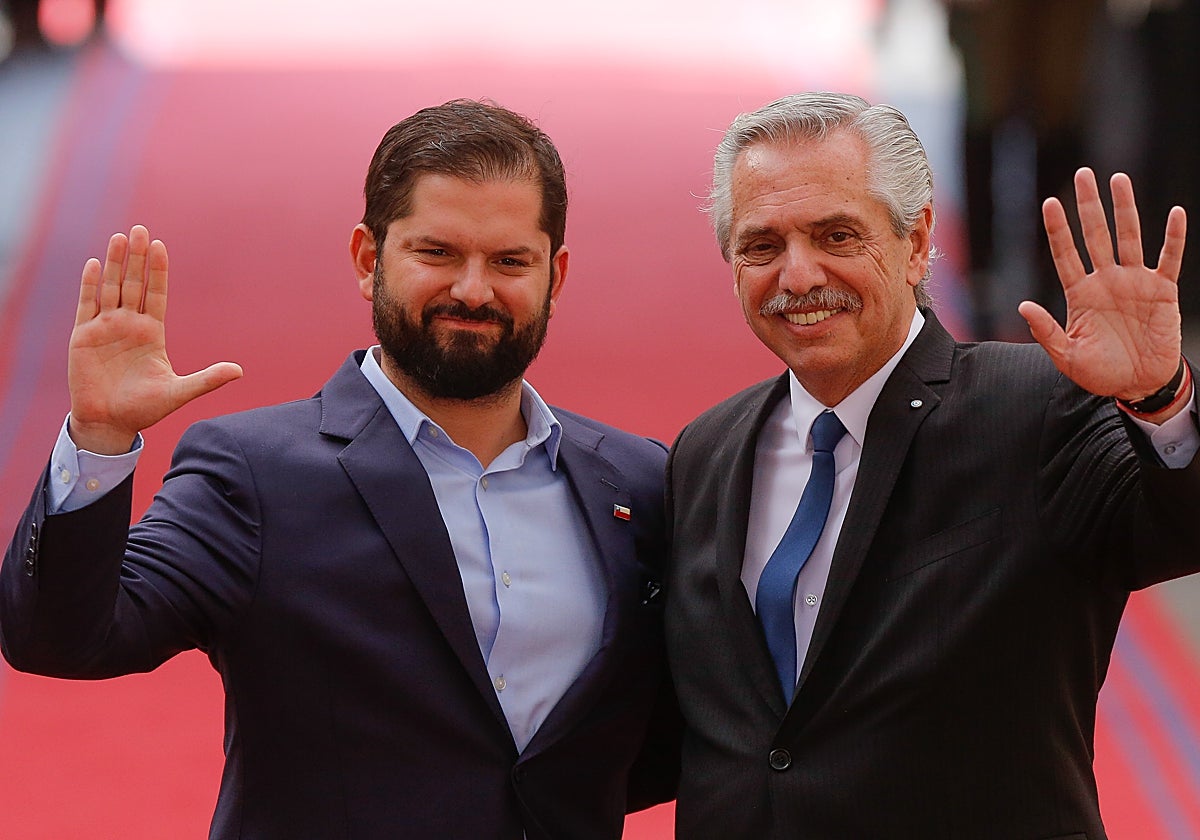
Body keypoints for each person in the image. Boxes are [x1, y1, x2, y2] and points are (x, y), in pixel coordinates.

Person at [0, 99, 677, 839]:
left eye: (510, 261)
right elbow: (61, 640)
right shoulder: (254, 474)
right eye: (437, 253)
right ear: (367, 259)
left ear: (556, 275)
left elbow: (663, 733)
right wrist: (99, 438)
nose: (473, 290)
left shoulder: (636, 482)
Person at [665, 92, 1199, 839]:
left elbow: (1181, 526)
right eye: (762, 245)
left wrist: (1160, 399)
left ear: (916, 242)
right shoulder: (705, 452)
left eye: (836, 235)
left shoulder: (1035, 409)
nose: (798, 275)